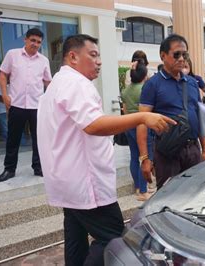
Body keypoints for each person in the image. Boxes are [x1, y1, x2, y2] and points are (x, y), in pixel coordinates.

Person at [37, 34, 175, 266]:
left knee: (75, 237)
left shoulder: (57, 85)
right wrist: (142, 117)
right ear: (72, 57)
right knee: (112, 240)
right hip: (86, 182)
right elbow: (92, 125)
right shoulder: (76, 84)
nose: (99, 61)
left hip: (67, 180)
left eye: (99, 55)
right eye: (93, 55)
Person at [137, 34, 205, 189]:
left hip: (192, 149)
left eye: (185, 54)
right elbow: (141, 123)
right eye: (176, 54)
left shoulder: (191, 83)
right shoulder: (152, 85)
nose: (182, 58)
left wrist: (204, 150)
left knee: (194, 194)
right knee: (167, 196)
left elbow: (200, 116)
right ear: (163, 56)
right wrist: (145, 158)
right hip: (167, 152)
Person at [0, 28, 52, 183]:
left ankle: (39, 167)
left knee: (39, 139)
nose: (35, 44)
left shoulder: (43, 60)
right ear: (25, 40)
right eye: (33, 40)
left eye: (39, 42)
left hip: (37, 106)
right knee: (13, 139)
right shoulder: (12, 55)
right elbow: (3, 74)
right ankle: (9, 169)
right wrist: (5, 95)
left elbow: (48, 82)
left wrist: (51, 100)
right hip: (17, 104)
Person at [121, 55, 154, 201]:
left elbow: (125, 109)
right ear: (144, 75)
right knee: (145, 157)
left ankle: (137, 187)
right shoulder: (145, 89)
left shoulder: (126, 91)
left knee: (134, 157)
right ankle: (143, 191)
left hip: (129, 125)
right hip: (143, 126)